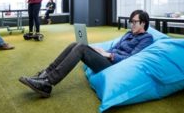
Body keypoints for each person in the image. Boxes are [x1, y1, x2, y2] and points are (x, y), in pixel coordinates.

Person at [19, 9, 153, 97]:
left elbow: (131, 59)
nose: (132, 25)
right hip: (107, 58)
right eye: (131, 22)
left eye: (135, 22)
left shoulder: (146, 38)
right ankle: (45, 74)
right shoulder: (128, 34)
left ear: (143, 23)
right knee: (75, 44)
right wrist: (103, 51)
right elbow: (115, 47)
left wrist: (111, 55)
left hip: (115, 65)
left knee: (81, 48)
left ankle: (48, 83)